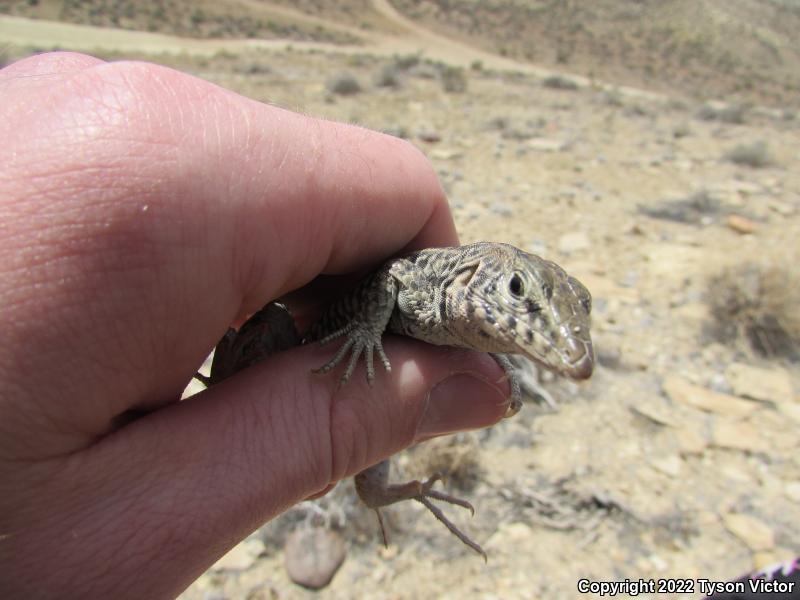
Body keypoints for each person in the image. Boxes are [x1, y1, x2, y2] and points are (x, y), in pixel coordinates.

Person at [0, 52, 512, 598]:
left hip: (350, 358)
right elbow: (387, 285)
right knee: (282, 340)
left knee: (369, 451)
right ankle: (230, 388)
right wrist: (363, 332)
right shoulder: (412, 283)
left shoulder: (460, 308)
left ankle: (388, 490)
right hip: (321, 341)